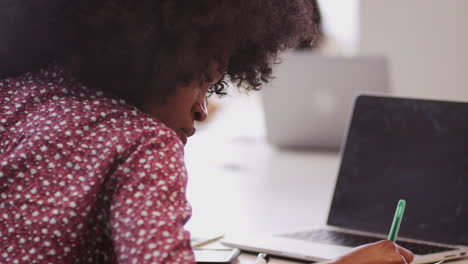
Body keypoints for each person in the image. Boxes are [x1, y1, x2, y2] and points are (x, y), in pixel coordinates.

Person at [0, 1, 414, 263]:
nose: (202, 108)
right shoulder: (144, 142)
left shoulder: (13, 97)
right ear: (157, 60)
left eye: (214, 88)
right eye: (202, 79)